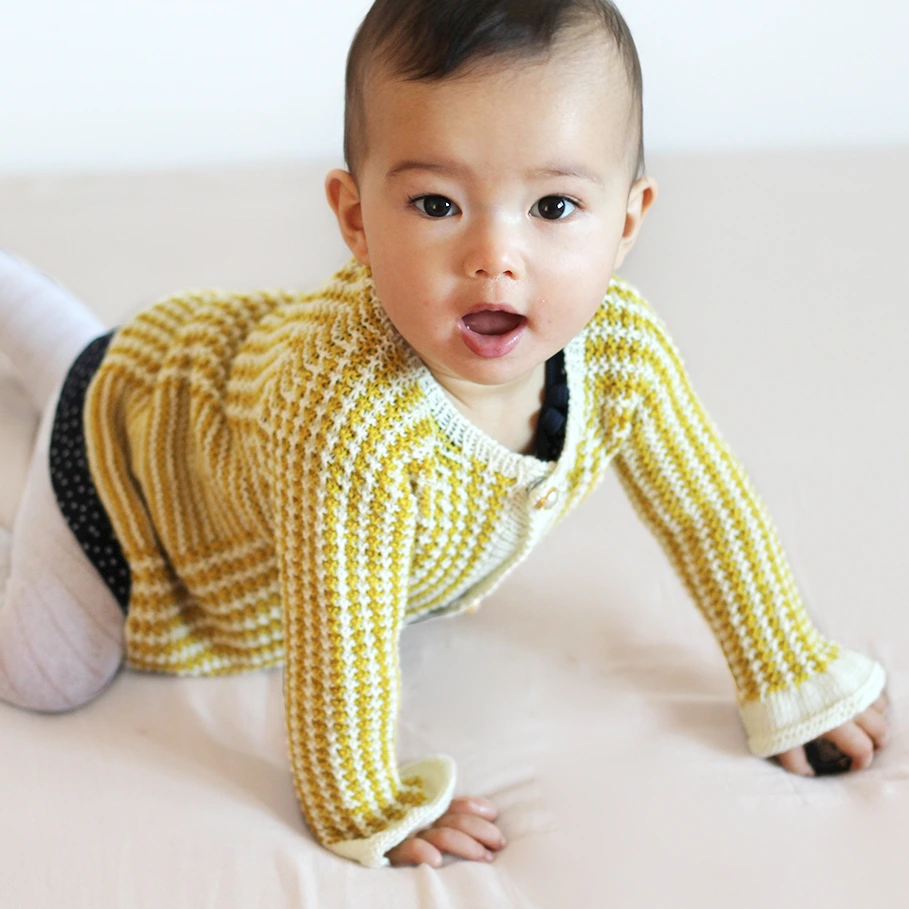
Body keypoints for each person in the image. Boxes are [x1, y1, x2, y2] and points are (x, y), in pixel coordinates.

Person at [0, 0, 890, 870]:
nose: (493, 257)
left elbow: (707, 511)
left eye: (552, 207)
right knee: (44, 674)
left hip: (175, 374)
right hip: (126, 472)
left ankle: (54, 335)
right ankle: (61, 385)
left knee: (81, 358)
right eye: (435, 204)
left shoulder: (623, 350)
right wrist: (363, 807)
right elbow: (338, 639)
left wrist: (788, 669)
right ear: (355, 217)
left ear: (625, 221)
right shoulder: (347, 417)